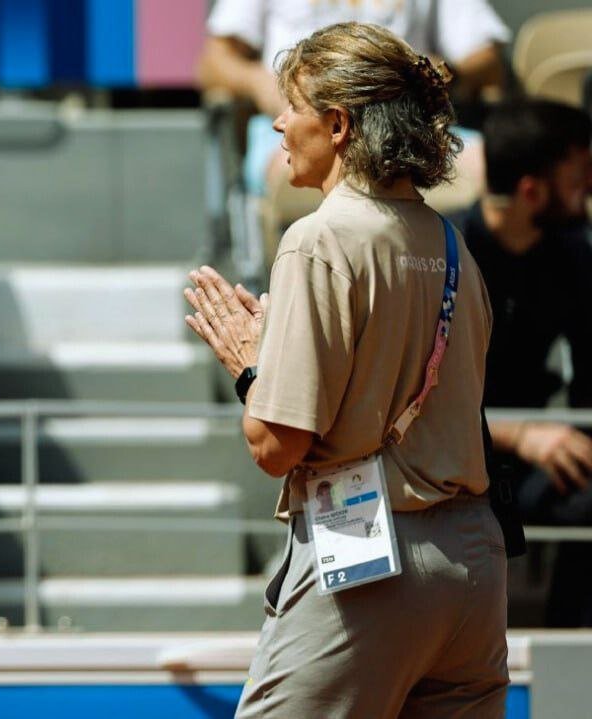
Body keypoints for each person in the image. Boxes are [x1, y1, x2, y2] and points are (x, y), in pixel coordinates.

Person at [185, 23, 506, 716]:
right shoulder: (453, 244)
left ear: (337, 125)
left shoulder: (317, 238)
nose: (276, 121)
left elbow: (278, 445)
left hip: (370, 559)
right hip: (475, 564)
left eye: (290, 105)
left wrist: (252, 367)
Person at [451, 100, 592, 626]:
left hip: (535, 454)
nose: (589, 187)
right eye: (579, 175)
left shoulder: (574, 255)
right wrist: (521, 433)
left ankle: (572, 650)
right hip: (445, 456)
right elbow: (410, 403)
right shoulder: (443, 253)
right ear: (532, 191)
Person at [197, 0, 509, 197]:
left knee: (492, 168)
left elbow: (486, 58)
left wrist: (432, 74)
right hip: (301, 123)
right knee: (305, 178)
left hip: (405, 122)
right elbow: (213, 63)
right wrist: (259, 83)